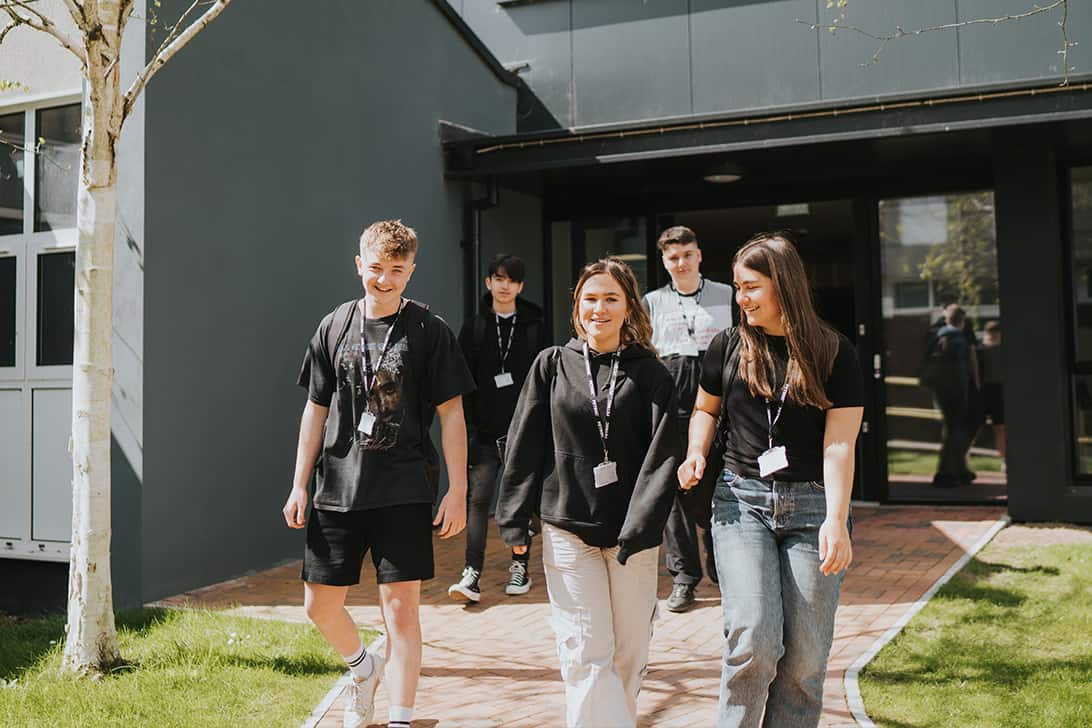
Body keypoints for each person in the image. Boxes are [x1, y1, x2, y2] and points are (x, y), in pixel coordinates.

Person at [283, 220, 475, 728]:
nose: (384, 280)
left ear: (411, 271)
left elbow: (452, 414)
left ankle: (399, 718)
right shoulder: (333, 326)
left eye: (396, 270)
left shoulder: (430, 330)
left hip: (403, 488)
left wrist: (459, 490)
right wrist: (299, 483)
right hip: (336, 488)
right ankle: (362, 668)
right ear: (358, 265)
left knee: (401, 612)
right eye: (376, 269)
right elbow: (315, 410)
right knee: (318, 607)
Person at [678, 232, 863, 728]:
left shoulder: (834, 352)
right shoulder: (730, 344)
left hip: (813, 508)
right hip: (741, 503)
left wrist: (837, 520)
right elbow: (705, 407)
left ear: (784, 284)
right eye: (737, 287)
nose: (741, 298)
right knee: (753, 639)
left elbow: (839, 443)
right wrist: (696, 451)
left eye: (751, 287)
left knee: (804, 660)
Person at [496, 258, 679, 728]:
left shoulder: (651, 374)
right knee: (584, 649)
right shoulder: (552, 365)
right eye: (591, 298)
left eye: (611, 299)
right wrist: (515, 517)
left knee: (628, 652)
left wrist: (641, 527)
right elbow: (524, 442)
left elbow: (663, 456)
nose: (600, 308)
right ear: (577, 305)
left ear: (628, 307)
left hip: (631, 536)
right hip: (567, 526)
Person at [642, 225, 734, 612]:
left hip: (722, 402)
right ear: (664, 261)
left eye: (686, 255)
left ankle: (724, 566)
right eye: (672, 257)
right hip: (672, 405)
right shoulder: (651, 302)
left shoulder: (726, 295)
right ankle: (684, 577)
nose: (680, 263)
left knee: (720, 486)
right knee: (675, 493)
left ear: (699, 256)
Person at [448, 254, 549, 603]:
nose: (504, 286)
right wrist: (471, 430)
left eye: (512, 280)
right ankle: (471, 572)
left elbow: (545, 380)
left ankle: (519, 565)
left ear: (520, 287)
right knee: (478, 500)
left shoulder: (535, 326)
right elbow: (463, 383)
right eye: (498, 279)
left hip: (524, 431)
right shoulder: (473, 328)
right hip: (485, 433)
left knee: (519, 500)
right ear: (488, 283)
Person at [928, 305, 977, 488]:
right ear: (962, 322)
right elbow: (962, 370)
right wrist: (967, 390)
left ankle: (959, 470)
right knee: (955, 430)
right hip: (955, 392)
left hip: (940, 390)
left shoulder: (937, 336)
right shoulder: (959, 340)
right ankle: (947, 473)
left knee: (951, 430)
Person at [979, 320, 1005, 467]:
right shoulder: (982, 349)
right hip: (995, 390)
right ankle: (1004, 460)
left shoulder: (980, 348)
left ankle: (1004, 460)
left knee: (977, 426)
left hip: (985, 390)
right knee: (1000, 428)